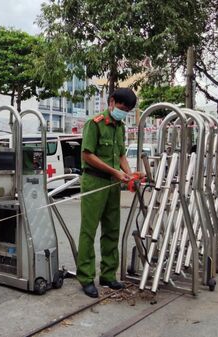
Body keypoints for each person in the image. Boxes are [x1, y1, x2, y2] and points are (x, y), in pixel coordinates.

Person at [77, 88, 143, 298]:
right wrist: (115, 172)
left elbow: (121, 154)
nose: (124, 113)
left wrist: (130, 174)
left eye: (128, 111)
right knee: (89, 231)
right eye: (123, 108)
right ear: (112, 102)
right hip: (94, 182)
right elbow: (87, 155)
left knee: (112, 229)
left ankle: (108, 275)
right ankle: (86, 278)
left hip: (113, 185)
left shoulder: (120, 127)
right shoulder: (94, 123)